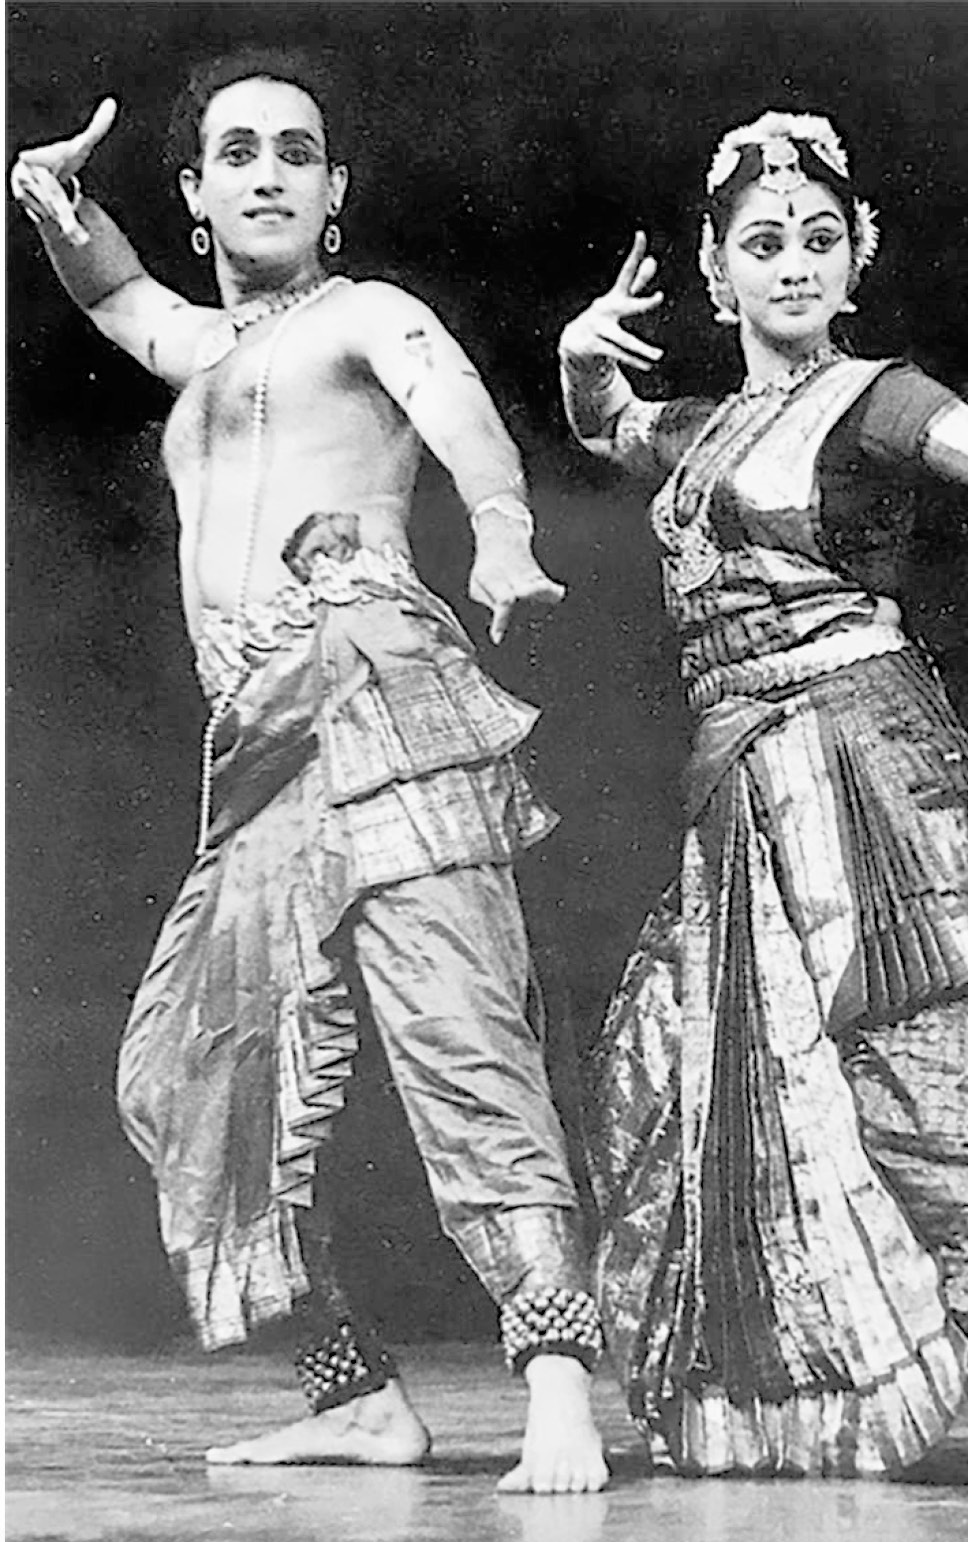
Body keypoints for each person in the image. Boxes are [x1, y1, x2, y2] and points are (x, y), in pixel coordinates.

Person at [11, 48, 608, 1494]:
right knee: (204, 1070)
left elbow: (463, 415)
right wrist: (46, 203)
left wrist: (505, 528)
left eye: (296, 150)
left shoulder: (370, 316)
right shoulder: (203, 350)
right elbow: (116, 295)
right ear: (199, 193)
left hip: (373, 693)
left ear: (334, 191)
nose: (267, 170)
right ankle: (356, 1395)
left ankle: (556, 1383)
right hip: (256, 745)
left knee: (456, 1029)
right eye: (237, 153)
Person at [558, 109, 968, 1499]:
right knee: (685, 1070)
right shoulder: (701, 431)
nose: (792, 264)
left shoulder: (871, 396)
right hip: (741, 786)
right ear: (714, 270)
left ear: (853, 259)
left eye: (819, 239)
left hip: (865, 772)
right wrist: (582, 355)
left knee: (921, 1079)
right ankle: (769, 1401)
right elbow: (606, 429)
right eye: (762, 244)